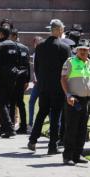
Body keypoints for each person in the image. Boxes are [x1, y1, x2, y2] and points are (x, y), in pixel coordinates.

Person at [28, 19, 71, 154]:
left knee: (42, 112)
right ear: (58, 30)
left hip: (44, 86)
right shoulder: (64, 48)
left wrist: (41, 81)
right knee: (55, 115)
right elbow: (67, 69)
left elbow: (36, 67)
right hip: (58, 86)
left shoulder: (40, 46)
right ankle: (52, 145)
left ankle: (33, 139)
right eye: (62, 29)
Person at [0, 26, 20, 138]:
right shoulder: (14, 45)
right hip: (12, 77)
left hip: (0, 77)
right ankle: (3, 128)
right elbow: (18, 60)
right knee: (7, 103)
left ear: (1, 34)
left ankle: (10, 128)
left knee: (1, 103)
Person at [10, 28, 31, 134]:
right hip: (23, 77)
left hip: (14, 77)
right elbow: (28, 65)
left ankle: (12, 125)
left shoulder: (11, 48)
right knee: (20, 102)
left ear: (13, 36)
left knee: (12, 102)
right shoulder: (25, 48)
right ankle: (23, 125)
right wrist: (27, 79)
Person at [28, 35, 44, 131]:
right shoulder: (35, 54)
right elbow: (34, 70)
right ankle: (30, 123)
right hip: (37, 83)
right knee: (31, 102)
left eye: (38, 42)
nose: (36, 44)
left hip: (42, 83)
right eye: (35, 42)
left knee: (45, 105)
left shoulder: (44, 54)